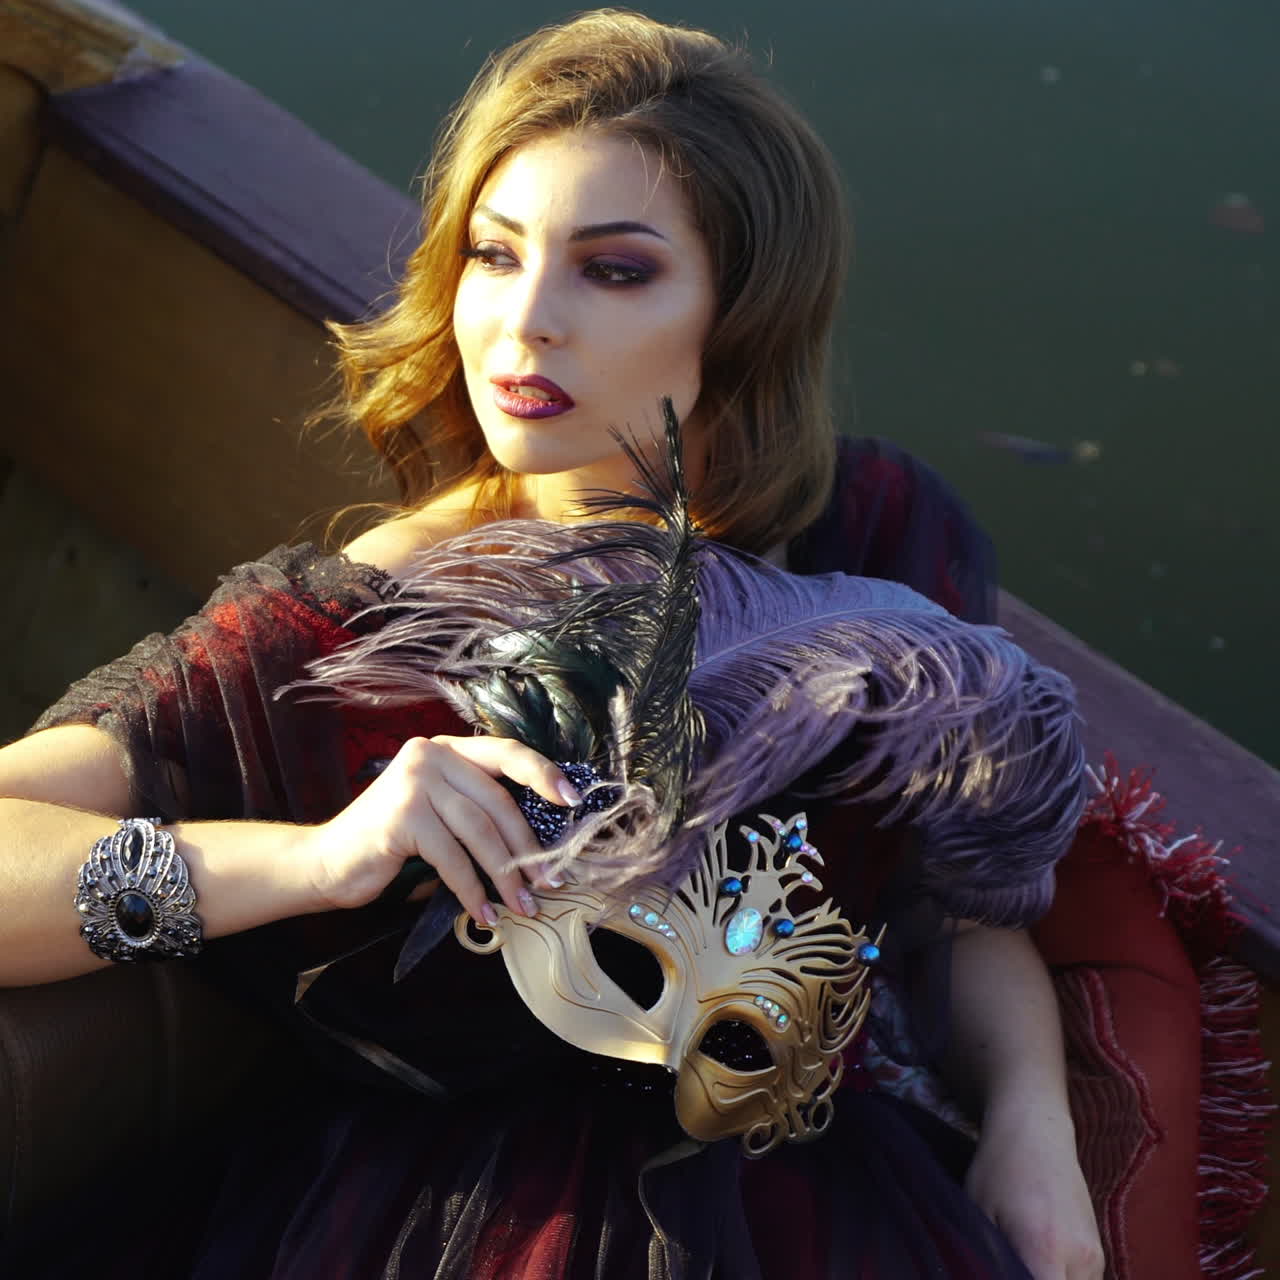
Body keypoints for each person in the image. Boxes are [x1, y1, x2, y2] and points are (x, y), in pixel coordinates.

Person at [0, 10, 1105, 1278]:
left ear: (743, 308)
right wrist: (314, 858)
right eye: (492, 253)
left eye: (614, 268)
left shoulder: (874, 527)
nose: (523, 323)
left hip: (840, 1184)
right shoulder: (358, 628)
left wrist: (1034, 1126)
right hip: (481, 1224)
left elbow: (955, 915)